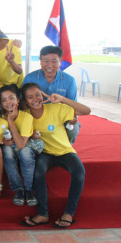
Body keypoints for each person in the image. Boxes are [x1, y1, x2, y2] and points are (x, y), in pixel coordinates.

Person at [20, 83, 90, 228]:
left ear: (43, 94)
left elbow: (86, 110)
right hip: (44, 153)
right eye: (30, 97)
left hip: (64, 151)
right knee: (38, 173)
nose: (35, 99)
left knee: (79, 172)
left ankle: (68, 213)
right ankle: (42, 214)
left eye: (38, 95)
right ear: (26, 101)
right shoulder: (25, 116)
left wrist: (62, 99)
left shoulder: (55, 108)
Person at [23, 45, 80, 144]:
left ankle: (67, 148)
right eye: (46, 61)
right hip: (36, 117)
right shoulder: (30, 78)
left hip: (60, 117)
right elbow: (23, 103)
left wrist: (74, 117)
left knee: (74, 128)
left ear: (60, 61)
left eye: (54, 61)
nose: (50, 65)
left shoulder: (69, 80)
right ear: (40, 61)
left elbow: (73, 105)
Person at [0, 84, 38, 206]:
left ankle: (28, 189)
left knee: (24, 152)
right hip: (10, 147)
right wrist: (3, 141)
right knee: (7, 150)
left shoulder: (26, 117)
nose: (8, 102)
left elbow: (21, 145)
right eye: (4, 100)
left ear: (18, 100)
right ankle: (18, 190)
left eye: (11, 98)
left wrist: (10, 121)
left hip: (25, 146)